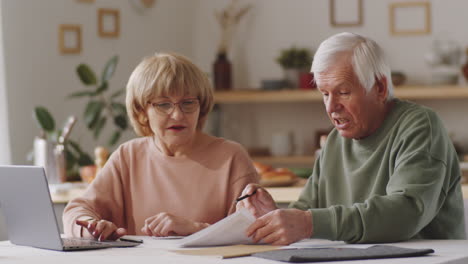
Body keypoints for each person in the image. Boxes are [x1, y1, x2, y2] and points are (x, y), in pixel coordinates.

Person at [237, 32, 466, 245]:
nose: (331, 107)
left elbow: (405, 213)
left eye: (343, 92)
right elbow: (308, 209)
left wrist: (307, 223)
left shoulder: (420, 126)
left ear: (379, 88)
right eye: (325, 94)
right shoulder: (336, 141)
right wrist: (274, 217)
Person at [63, 52, 259, 241]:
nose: (178, 115)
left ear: (202, 106)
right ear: (142, 111)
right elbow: (77, 210)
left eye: (188, 103)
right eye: (164, 105)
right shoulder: (128, 156)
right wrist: (91, 226)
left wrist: (195, 229)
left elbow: (254, 232)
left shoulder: (231, 157)